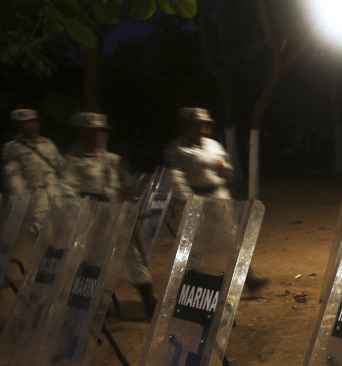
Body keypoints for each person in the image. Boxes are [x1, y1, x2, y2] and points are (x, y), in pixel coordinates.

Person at [63, 112, 157, 317]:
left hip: (117, 216)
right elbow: (67, 190)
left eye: (99, 133)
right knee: (93, 260)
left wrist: (129, 191)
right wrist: (83, 205)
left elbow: (127, 185)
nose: (96, 137)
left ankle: (148, 301)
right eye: (90, 133)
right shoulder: (74, 162)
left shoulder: (114, 160)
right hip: (92, 217)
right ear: (82, 135)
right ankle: (91, 306)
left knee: (133, 258)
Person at [165, 107, 268, 292]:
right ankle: (193, 285)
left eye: (204, 124)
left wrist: (225, 171)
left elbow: (227, 170)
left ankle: (249, 279)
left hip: (218, 195)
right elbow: (176, 176)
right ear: (187, 126)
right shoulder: (178, 148)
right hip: (195, 198)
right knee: (196, 244)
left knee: (231, 239)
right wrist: (187, 200)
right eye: (197, 125)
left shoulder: (214, 146)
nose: (201, 128)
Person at [2, 108, 66, 233]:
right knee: (39, 240)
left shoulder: (48, 144)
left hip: (57, 199)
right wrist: (24, 206)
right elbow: (14, 180)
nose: (30, 126)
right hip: (36, 203)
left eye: (33, 122)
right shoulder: (12, 148)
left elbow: (62, 169)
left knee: (61, 237)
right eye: (25, 123)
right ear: (18, 126)